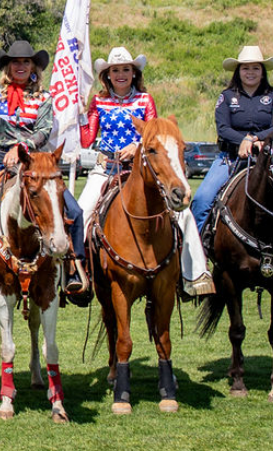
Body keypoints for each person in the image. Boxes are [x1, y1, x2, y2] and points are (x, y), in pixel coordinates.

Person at [75, 46, 212, 296]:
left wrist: (137, 145)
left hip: (144, 170)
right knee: (81, 214)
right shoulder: (98, 101)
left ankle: (195, 276)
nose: (121, 74)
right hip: (107, 168)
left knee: (182, 212)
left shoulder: (144, 100)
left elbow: (157, 134)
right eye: (115, 70)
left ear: (134, 73)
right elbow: (86, 140)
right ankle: (78, 274)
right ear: (107, 75)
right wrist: (80, 115)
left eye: (126, 69)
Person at [191, 44, 273, 283]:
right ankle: (197, 260)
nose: (250, 72)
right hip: (230, 158)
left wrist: (258, 139)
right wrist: (243, 140)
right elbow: (223, 128)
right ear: (238, 71)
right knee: (202, 200)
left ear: (263, 71)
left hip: (267, 160)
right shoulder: (226, 97)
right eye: (245, 68)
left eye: (255, 68)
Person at [0, 40, 88, 296]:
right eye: (15, 62)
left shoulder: (44, 97)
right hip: (0, 164)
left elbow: (43, 130)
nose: (21, 66)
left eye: (26, 62)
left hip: (35, 165)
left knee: (74, 210)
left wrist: (21, 148)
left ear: (33, 67)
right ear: (7, 67)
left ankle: (74, 266)